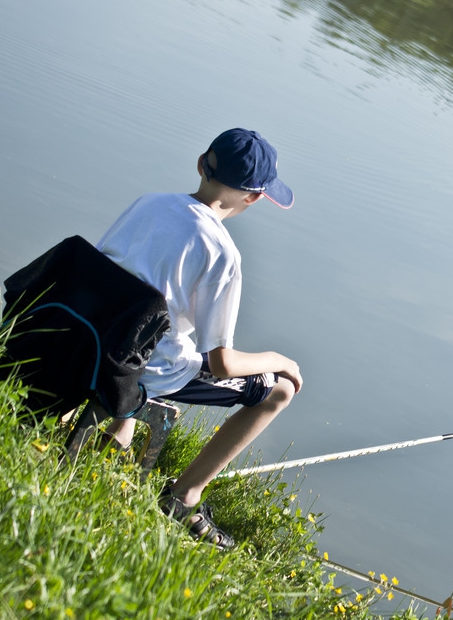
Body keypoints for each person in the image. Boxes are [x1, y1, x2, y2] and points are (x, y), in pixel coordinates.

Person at [98, 128, 303, 549]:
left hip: (97, 339)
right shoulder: (221, 252)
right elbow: (221, 362)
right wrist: (277, 359)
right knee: (278, 390)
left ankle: (121, 432)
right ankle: (183, 497)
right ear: (254, 197)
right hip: (143, 367)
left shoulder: (149, 203)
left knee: (155, 318)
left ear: (200, 164)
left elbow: (111, 277)